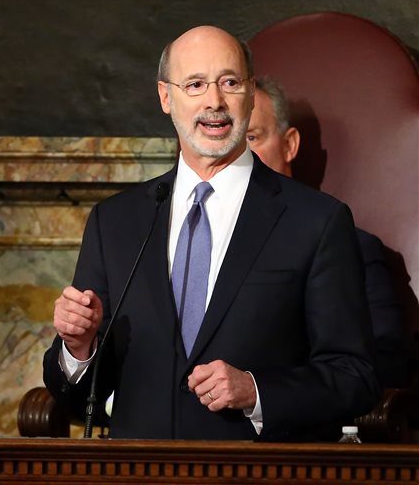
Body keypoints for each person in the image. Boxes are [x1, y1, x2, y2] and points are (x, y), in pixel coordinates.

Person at [43, 26, 381, 441]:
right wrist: (79, 348)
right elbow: (78, 400)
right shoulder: (115, 222)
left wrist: (257, 392)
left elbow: (355, 376)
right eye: (196, 84)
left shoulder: (316, 220)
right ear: (166, 97)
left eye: (230, 83)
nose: (214, 102)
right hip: (139, 472)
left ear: (251, 92)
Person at [247, 77, 409, 388]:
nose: (241, 156)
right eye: (231, 141)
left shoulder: (353, 247)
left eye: (253, 137)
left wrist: (262, 392)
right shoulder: (194, 246)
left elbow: (385, 364)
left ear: (289, 144)